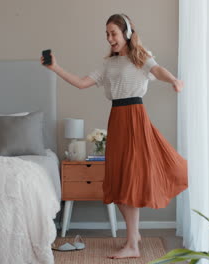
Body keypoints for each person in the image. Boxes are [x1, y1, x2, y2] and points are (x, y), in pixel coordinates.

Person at [41, 13, 188, 259]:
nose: (110, 38)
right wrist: (54, 67)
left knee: (129, 180)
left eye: (114, 33)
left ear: (127, 33)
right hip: (117, 119)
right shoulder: (108, 64)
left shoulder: (140, 57)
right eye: (107, 34)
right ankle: (134, 236)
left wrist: (174, 80)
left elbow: (158, 70)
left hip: (135, 118)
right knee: (117, 181)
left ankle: (132, 244)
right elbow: (80, 82)